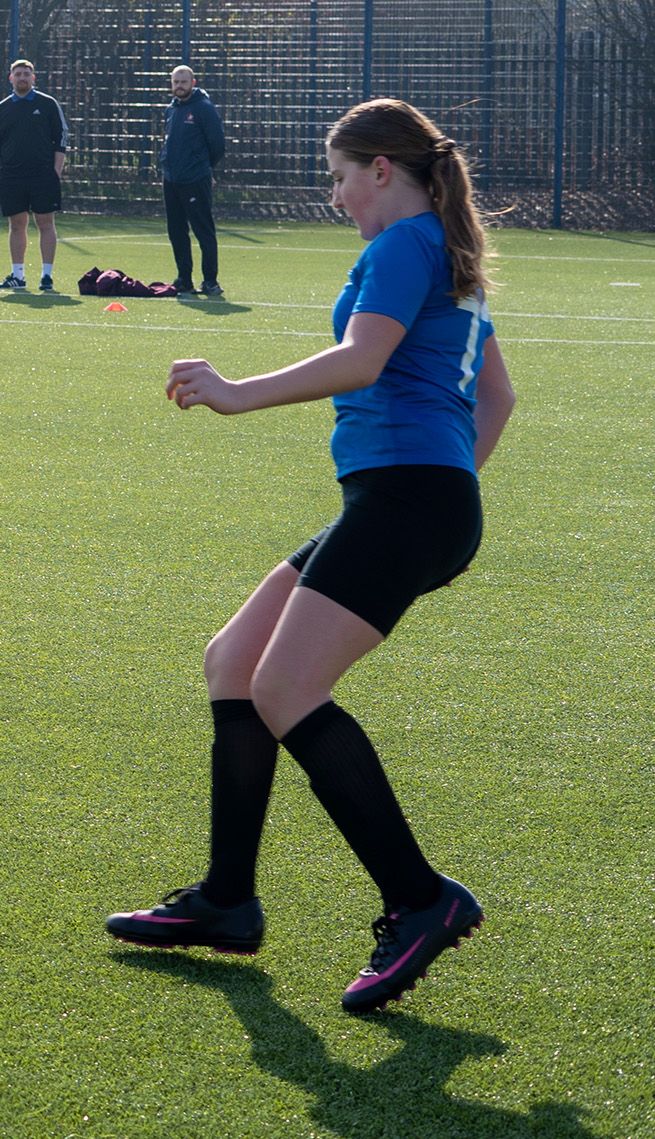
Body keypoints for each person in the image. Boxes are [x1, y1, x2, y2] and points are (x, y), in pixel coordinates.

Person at [105, 98, 516, 1015]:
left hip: (408, 499)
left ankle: (420, 898)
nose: (335, 195)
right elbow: (498, 398)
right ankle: (227, 899)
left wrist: (237, 392)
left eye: (338, 176)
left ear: (381, 169)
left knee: (286, 691)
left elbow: (363, 359)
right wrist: (455, 488)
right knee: (235, 662)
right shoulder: (447, 253)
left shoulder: (406, 243)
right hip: (413, 498)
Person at [0, 60, 68, 294]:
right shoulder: (1, 108)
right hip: (12, 175)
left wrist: (55, 172)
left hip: (43, 174)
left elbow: (61, 137)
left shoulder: (47, 104)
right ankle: (18, 275)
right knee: (16, 224)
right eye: (18, 74)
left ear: (33, 78)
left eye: (26, 74)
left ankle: (47, 276)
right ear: (11, 79)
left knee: (45, 223)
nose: (22, 78)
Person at [158, 65, 227, 297]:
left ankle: (210, 281)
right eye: (175, 82)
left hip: (195, 179)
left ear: (193, 83)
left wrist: (205, 168)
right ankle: (184, 279)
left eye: (183, 82)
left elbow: (217, 143)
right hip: (171, 179)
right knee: (176, 231)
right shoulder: (171, 109)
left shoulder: (204, 108)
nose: (179, 86)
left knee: (203, 230)